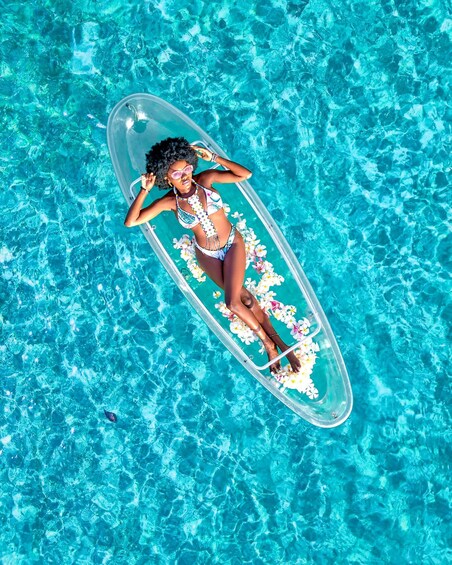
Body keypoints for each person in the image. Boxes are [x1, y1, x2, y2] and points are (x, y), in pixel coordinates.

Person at [124, 137, 300, 374]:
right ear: (166, 178)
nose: (184, 176)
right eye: (176, 174)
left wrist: (214, 157)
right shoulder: (169, 202)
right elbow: (131, 221)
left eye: (187, 169)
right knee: (245, 300)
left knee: (233, 303)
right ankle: (278, 345)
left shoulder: (205, 179)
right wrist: (144, 191)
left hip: (232, 242)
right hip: (207, 254)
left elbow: (244, 174)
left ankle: (275, 346)